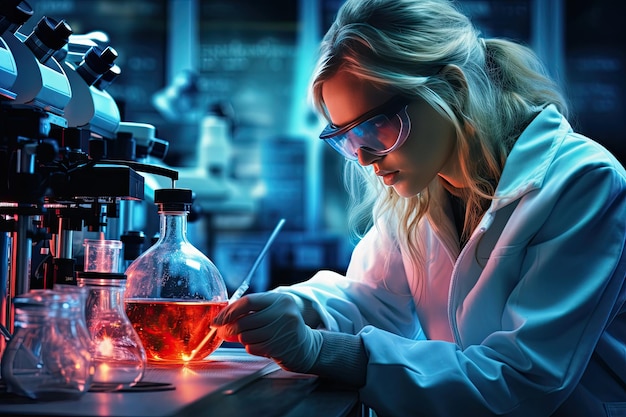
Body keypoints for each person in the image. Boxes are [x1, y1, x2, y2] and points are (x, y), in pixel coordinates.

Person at [212, 0, 626, 415]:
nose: (365, 158)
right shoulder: (420, 191)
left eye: (375, 127)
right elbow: (369, 301)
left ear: (453, 88)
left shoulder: (583, 182)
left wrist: (323, 349)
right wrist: (299, 307)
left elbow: (522, 379)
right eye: (348, 138)